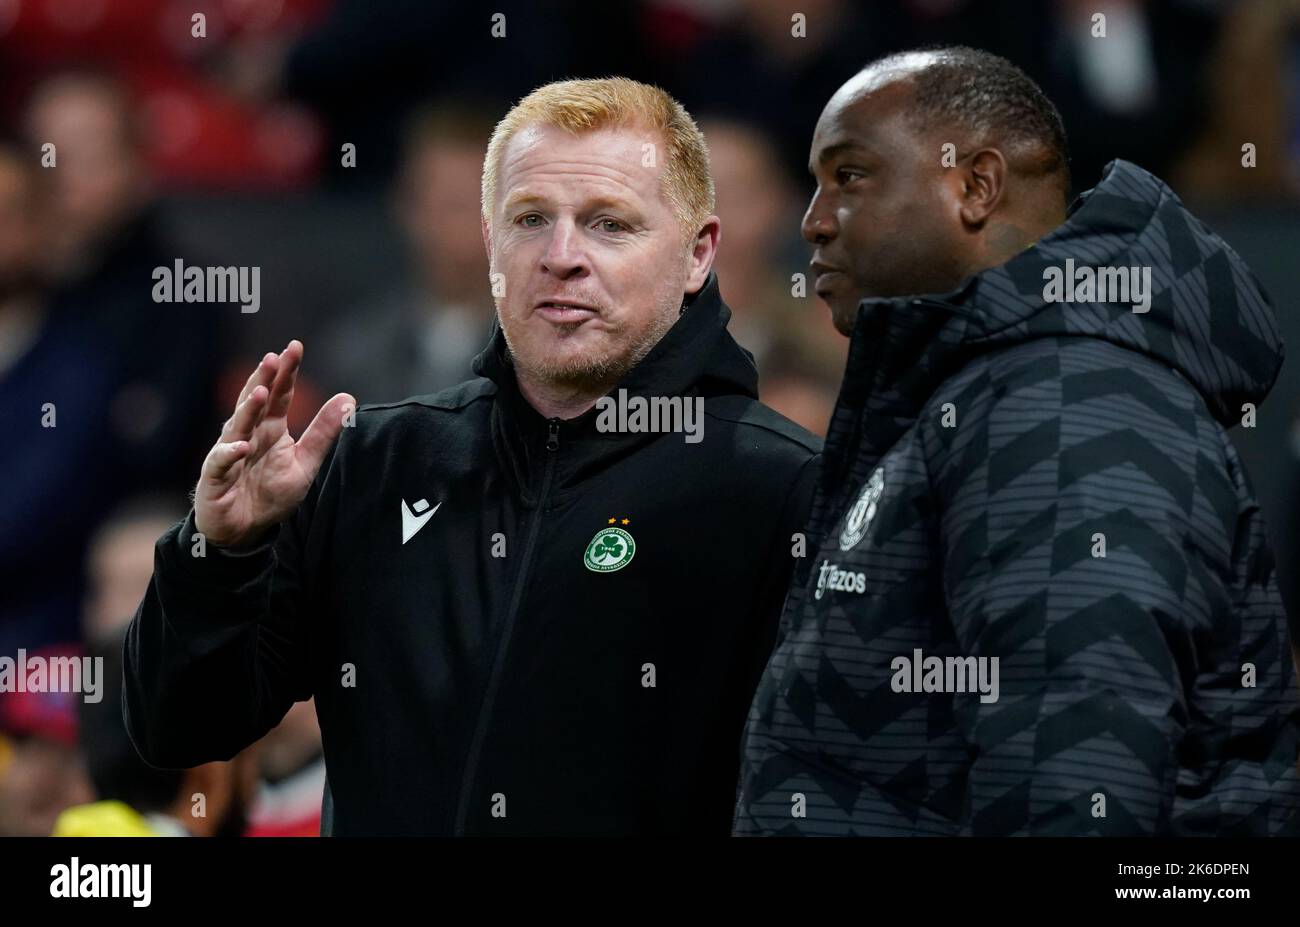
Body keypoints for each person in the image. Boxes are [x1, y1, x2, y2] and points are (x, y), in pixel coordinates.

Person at [124, 77, 821, 835]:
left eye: (609, 224)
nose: (562, 256)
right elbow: (179, 731)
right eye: (530, 220)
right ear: (492, 245)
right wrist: (221, 553)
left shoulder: (782, 489)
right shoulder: (377, 460)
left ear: (697, 255)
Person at [735, 48, 1300, 836]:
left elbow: (1081, 779)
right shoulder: (993, 390)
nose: (814, 220)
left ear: (975, 186)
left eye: (851, 175)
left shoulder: (1068, 398)